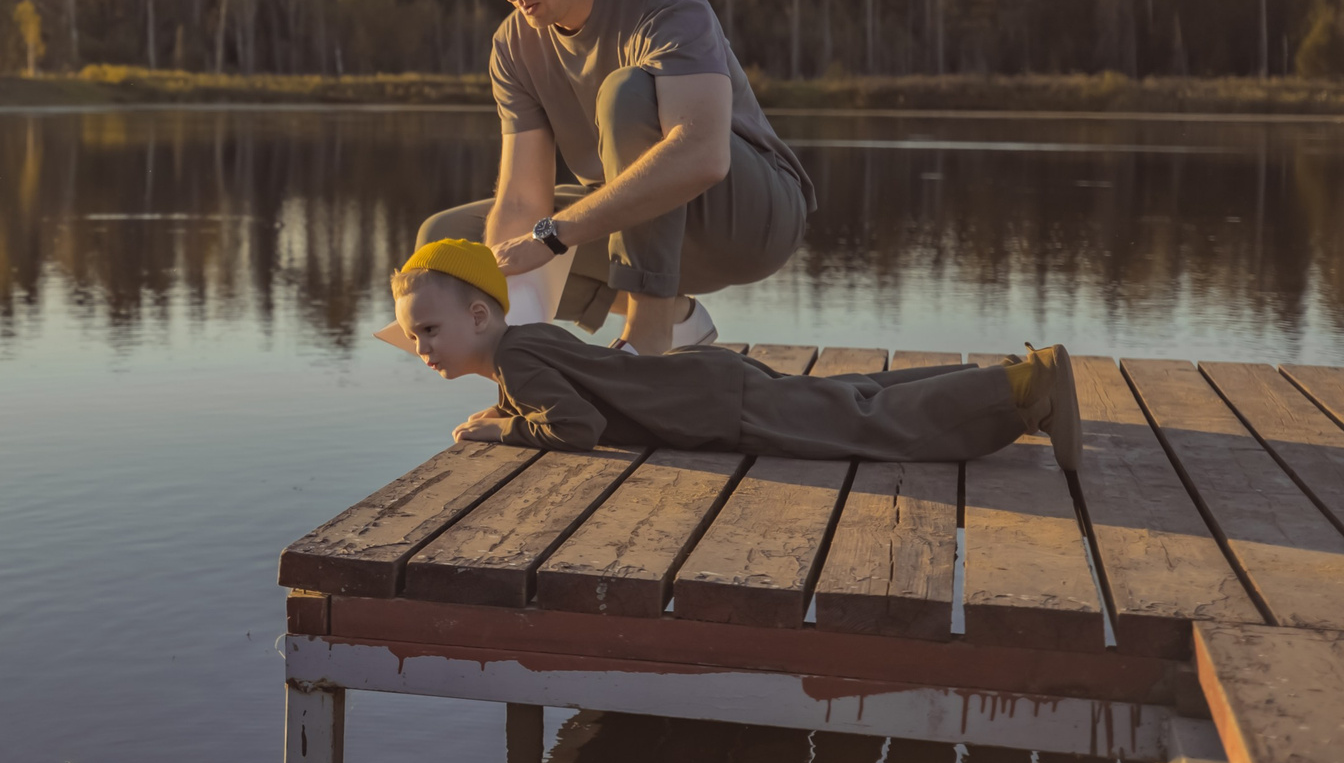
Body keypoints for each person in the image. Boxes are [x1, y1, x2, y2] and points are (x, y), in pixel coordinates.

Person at [418, 0, 814, 355]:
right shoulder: (513, 47)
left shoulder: (664, 5)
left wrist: (554, 235)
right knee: (448, 249)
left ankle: (645, 342)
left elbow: (702, 156)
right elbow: (523, 203)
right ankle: (675, 319)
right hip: (638, 231)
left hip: (749, 220)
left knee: (626, 91)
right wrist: (505, 367)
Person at [385, 239, 1082, 469]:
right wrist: (505, 409)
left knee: (872, 424)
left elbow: (577, 427)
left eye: (428, 330)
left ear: (480, 314)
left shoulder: (520, 361)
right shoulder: (523, 348)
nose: (420, 349)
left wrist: (503, 428)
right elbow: (569, 392)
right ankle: (1006, 379)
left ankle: (1030, 388)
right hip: (707, 383)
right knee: (858, 396)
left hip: (715, 405)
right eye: (414, 336)